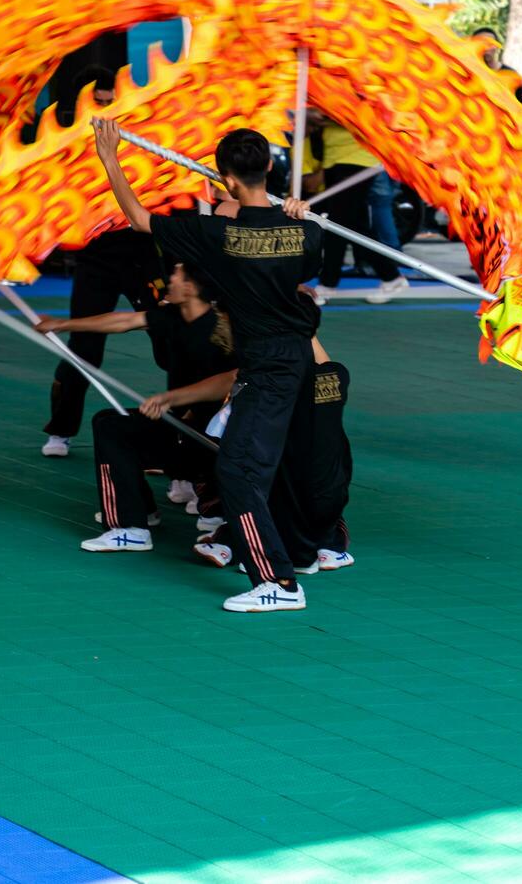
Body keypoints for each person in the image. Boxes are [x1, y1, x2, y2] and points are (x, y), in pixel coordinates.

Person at [93, 120, 323, 612]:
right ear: (266, 168)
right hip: (291, 361)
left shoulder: (213, 234)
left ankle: (279, 584)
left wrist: (110, 156)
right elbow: (302, 268)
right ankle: (257, 547)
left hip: (267, 368)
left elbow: (138, 218)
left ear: (227, 181)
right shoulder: (308, 232)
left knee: (239, 468)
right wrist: (297, 215)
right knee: (253, 464)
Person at [36, 262, 235, 551]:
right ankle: (140, 512)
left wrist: (172, 400)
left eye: (177, 276)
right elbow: (123, 321)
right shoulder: (175, 316)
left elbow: (228, 383)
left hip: (209, 440)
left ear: (191, 288)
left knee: (114, 429)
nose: (170, 279)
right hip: (181, 426)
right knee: (108, 421)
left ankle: (130, 527)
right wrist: (61, 325)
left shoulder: (221, 333)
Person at [142, 333, 354, 574]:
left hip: (301, 485)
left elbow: (235, 379)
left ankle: (312, 549)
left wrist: (172, 398)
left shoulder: (277, 383)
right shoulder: (335, 374)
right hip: (322, 478)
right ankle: (237, 543)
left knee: (262, 493)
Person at [41, 67, 165, 460]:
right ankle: (61, 429)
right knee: (85, 347)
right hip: (97, 257)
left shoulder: (144, 137)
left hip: (145, 253)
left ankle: (186, 441)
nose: (109, 110)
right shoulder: (68, 148)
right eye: (101, 102)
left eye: (114, 100)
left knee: (173, 338)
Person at [301, 115, 408, 306]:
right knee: (353, 224)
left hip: (357, 158)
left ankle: (328, 284)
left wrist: (322, 115)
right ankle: (391, 277)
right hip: (335, 157)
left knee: (338, 221)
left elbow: (355, 112)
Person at [472, 28, 522, 104]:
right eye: (480, 43)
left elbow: (521, 106)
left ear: (497, 46)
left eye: (490, 43)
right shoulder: (467, 72)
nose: (485, 47)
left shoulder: (510, 75)